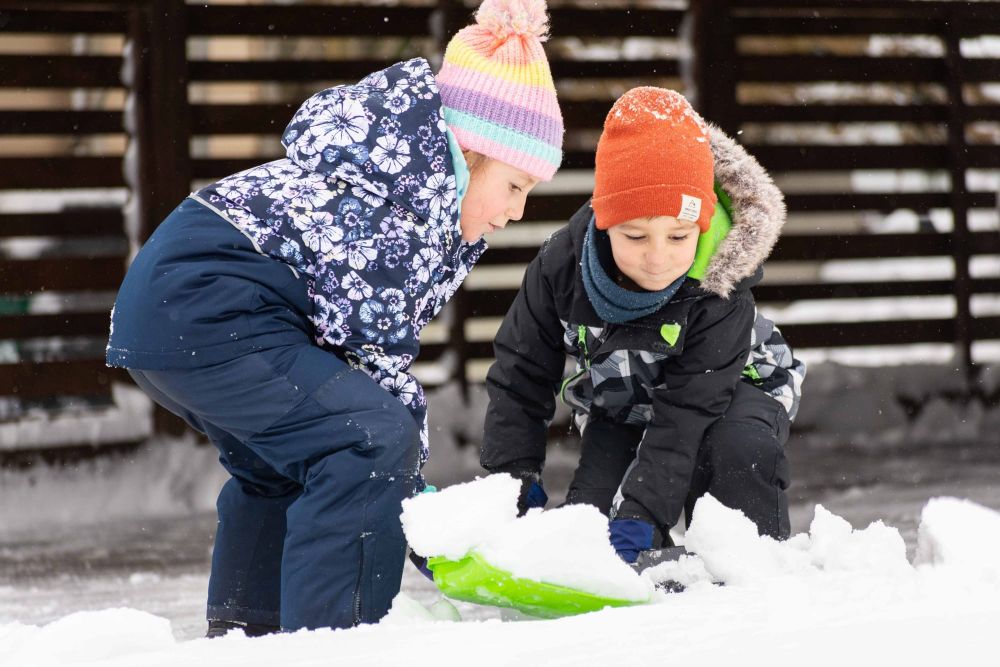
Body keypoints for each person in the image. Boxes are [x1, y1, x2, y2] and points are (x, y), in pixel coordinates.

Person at [105, 0, 563, 634]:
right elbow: (373, 371)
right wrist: (418, 508)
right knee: (369, 439)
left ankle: (248, 637)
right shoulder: (401, 208)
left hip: (169, 312)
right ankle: (335, 642)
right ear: (470, 151)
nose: (517, 212)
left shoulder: (402, 181)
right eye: (515, 186)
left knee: (284, 466)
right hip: (212, 310)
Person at [480, 87, 806, 563]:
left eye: (678, 236)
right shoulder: (559, 268)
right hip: (622, 402)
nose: (657, 259)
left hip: (730, 395)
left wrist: (645, 511)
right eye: (635, 236)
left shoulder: (719, 287)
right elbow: (520, 376)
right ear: (605, 223)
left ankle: (750, 568)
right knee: (589, 527)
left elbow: (686, 415)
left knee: (736, 449)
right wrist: (513, 478)